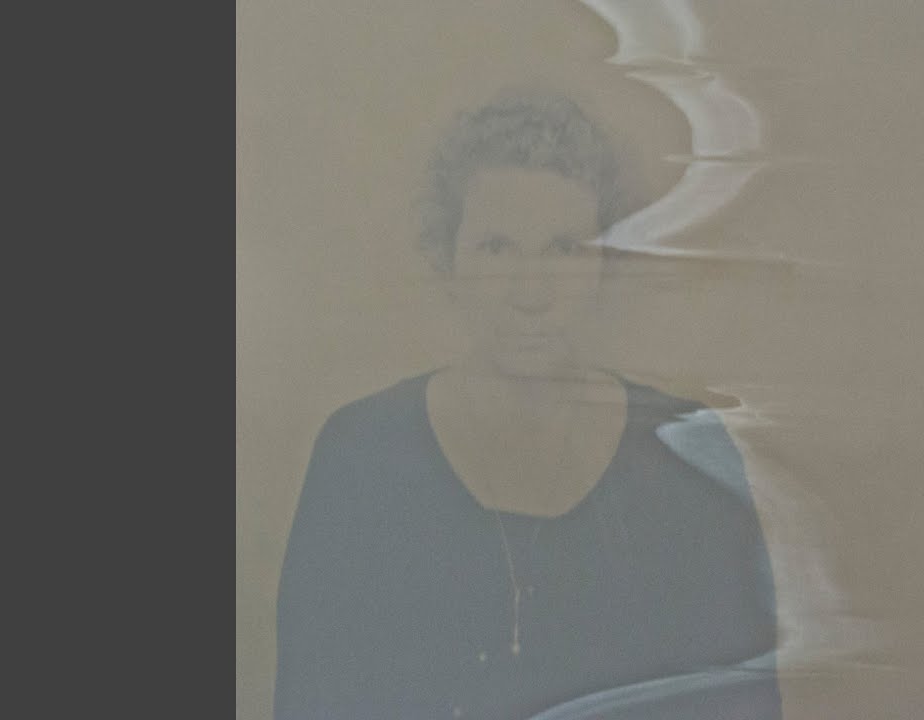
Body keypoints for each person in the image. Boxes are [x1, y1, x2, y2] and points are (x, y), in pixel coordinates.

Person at [275, 89, 783, 720]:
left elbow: (742, 707)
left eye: (563, 249)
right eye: (496, 247)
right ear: (447, 260)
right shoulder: (362, 456)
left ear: (606, 265)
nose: (530, 293)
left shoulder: (687, 455)